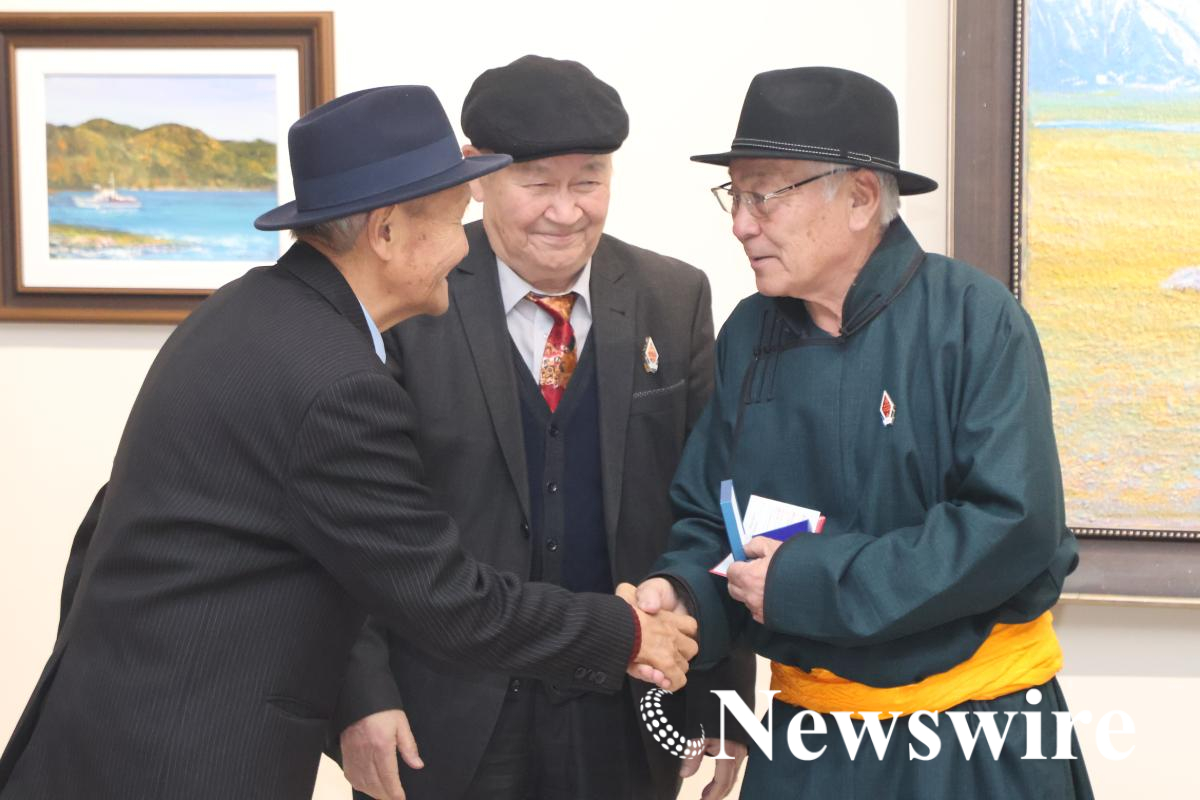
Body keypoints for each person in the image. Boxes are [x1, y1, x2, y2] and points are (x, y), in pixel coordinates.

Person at [0, 85, 699, 800]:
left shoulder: (244, 312)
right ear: (386, 233)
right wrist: (623, 633)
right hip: (181, 757)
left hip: (110, 731)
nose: (464, 245)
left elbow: (100, 529)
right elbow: (444, 596)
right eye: (452, 221)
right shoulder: (335, 382)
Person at [636, 67, 1095, 798]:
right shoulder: (749, 334)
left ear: (858, 198)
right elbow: (709, 516)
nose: (741, 224)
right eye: (736, 194)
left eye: (765, 195)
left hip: (974, 735)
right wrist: (682, 594)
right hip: (809, 740)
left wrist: (804, 583)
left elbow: (1011, 527)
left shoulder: (974, 319)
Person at [334, 56, 754, 800]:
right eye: (537, 184)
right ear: (476, 177)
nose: (566, 212)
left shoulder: (672, 296)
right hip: (444, 715)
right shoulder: (403, 297)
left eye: (588, 181)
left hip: (625, 711)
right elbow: (349, 521)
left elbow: (711, 502)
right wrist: (360, 696)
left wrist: (722, 694)